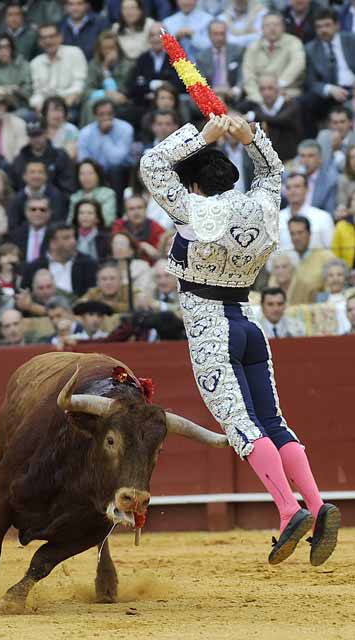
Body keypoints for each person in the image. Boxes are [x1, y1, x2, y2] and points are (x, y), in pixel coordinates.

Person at [140, 112, 340, 565]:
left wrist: (201, 136)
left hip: (212, 332)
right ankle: (315, 502)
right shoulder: (264, 204)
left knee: (242, 427)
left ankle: (288, 509)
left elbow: (153, 165)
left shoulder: (192, 213)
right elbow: (274, 172)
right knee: (274, 421)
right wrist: (251, 138)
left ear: (192, 186)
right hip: (249, 325)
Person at [303, 9, 355, 136]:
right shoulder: (311, 49)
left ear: (337, 25)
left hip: (353, 87)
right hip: (331, 96)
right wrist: (330, 89)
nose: (323, 30)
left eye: (327, 25)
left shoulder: (351, 40)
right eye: (319, 26)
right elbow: (311, 82)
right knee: (306, 101)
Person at [242, 12, 306, 104]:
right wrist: (258, 97)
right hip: (259, 97)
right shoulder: (253, 46)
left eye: (276, 25)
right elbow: (248, 76)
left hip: (288, 94)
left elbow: (298, 64)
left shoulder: (294, 42)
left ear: (283, 27)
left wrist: (276, 87)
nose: (272, 28)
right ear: (262, 29)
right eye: (267, 25)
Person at [21, 222, 98, 299]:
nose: (73, 241)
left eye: (73, 237)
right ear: (52, 243)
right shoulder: (34, 267)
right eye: (67, 238)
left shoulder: (88, 264)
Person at [78, 99, 134, 201]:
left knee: (115, 170)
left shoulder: (126, 128)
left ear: (114, 114)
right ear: (95, 116)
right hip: (96, 171)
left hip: (121, 171)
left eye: (109, 114)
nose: (106, 118)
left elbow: (116, 160)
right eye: (101, 114)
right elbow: (83, 160)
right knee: (84, 171)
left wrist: (104, 135)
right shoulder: (85, 133)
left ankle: (118, 209)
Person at [242, 73, 302, 163]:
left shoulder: (290, 105)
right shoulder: (258, 108)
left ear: (278, 89)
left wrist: (255, 116)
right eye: (262, 89)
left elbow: (280, 120)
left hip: (290, 161)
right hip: (267, 163)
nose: (266, 93)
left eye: (270, 88)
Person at [29, 22, 88, 112]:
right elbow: (38, 92)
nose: (48, 41)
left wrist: (64, 103)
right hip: (46, 108)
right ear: (39, 42)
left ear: (60, 37)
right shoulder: (35, 63)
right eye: (44, 38)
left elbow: (80, 83)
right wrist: (38, 105)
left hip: (71, 103)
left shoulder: (74, 53)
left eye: (52, 36)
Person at [10, 117, 77, 196]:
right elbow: (15, 188)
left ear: (46, 133)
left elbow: (67, 187)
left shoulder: (59, 156)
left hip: (55, 202)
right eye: (33, 136)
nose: (36, 139)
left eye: (39, 135)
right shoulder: (20, 160)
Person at [80, 30, 134, 127]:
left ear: (118, 48)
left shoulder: (128, 65)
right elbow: (86, 91)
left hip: (121, 103)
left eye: (112, 48)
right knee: (91, 104)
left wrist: (105, 70)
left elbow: (120, 94)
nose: (109, 52)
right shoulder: (94, 64)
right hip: (101, 99)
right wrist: (105, 94)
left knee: (96, 105)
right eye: (105, 48)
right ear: (100, 50)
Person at [128, 21, 184, 110]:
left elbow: (181, 84)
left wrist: (163, 85)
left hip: (172, 104)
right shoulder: (142, 59)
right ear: (148, 39)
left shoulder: (176, 58)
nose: (156, 39)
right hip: (145, 104)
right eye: (152, 35)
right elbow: (134, 86)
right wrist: (150, 85)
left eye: (159, 34)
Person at [279, 173, 335, 253]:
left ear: (307, 189)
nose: (292, 191)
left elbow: (331, 251)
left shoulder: (323, 217)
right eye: (288, 188)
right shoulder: (276, 218)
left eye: (297, 186)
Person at [7, 159, 68, 230]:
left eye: (40, 172)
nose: (36, 176)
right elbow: (13, 225)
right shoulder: (16, 199)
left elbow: (58, 222)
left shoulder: (56, 196)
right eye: (32, 172)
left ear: (46, 176)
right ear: (24, 176)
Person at [286, 216, 335, 304]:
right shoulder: (288, 259)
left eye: (300, 233)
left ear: (309, 234)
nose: (296, 237)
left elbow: (334, 291)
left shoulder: (326, 256)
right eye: (292, 234)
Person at [0, 32, 32, 113]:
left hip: (19, 106)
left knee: (24, 114)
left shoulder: (23, 65)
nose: (3, 51)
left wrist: (18, 90)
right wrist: (6, 89)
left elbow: (28, 92)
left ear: (12, 48)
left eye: (6, 47)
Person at [196, 19, 244, 108]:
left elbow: (242, 75)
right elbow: (200, 82)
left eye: (222, 34)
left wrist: (236, 90)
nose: (219, 38)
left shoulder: (238, 51)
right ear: (209, 35)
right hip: (211, 95)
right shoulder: (202, 57)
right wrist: (213, 92)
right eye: (216, 34)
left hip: (232, 94)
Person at [0, 0, 39, 65]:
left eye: (17, 14)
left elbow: (39, 58)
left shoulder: (32, 35)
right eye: (10, 15)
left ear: (23, 17)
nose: (14, 18)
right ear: (5, 17)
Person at [112, 195, 165, 262]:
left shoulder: (156, 228)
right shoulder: (119, 225)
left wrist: (156, 254)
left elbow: (164, 253)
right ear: (126, 212)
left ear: (146, 209)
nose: (136, 212)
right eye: (131, 209)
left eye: (139, 208)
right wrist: (141, 245)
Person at [67, 160, 117, 227]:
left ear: (98, 175)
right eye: (82, 173)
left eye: (90, 173)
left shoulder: (108, 194)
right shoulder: (75, 197)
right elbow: (70, 222)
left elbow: (108, 220)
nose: (86, 177)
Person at [296, 139, 338, 215]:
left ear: (320, 159)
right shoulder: (291, 178)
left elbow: (329, 213)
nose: (305, 160)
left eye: (310, 156)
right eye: (302, 156)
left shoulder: (329, 182)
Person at [9, 195, 52, 263]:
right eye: (33, 209)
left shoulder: (55, 235)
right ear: (26, 212)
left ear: (49, 213)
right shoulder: (15, 235)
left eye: (42, 210)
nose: (38, 213)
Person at [42, 95, 79, 160]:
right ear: (45, 113)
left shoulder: (71, 130)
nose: (56, 114)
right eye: (53, 110)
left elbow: (70, 155)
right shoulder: (39, 129)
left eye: (60, 110)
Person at [332, 191, 355, 268]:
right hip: (346, 274)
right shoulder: (341, 226)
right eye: (354, 199)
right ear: (350, 204)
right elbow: (335, 256)